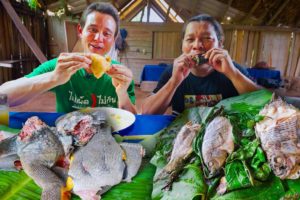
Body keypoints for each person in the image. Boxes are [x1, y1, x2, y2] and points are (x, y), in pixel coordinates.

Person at [0, 2, 136, 114]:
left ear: (113, 39)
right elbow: (3, 97)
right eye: (93, 30)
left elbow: (132, 118)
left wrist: (122, 93)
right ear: (81, 31)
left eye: (106, 33)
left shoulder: (121, 75)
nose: (98, 38)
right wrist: (53, 78)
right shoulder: (61, 67)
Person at [142, 14, 260, 115]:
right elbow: (147, 112)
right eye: (190, 39)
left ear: (220, 43)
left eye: (206, 38)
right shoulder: (173, 71)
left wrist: (233, 74)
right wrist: (173, 82)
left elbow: (265, 104)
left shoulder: (233, 69)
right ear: (182, 44)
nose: (197, 45)